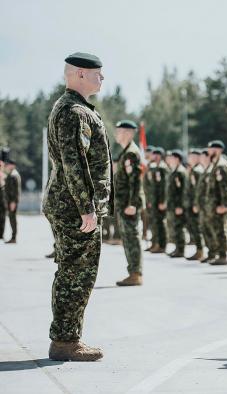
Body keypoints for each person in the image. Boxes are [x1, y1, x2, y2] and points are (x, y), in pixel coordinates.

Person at [44, 52, 111, 361]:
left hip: (69, 203)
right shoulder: (74, 112)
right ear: (80, 74)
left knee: (73, 270)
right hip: (73, 207)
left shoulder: (75, 109)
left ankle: (65, 337)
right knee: (77, 273)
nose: (102, 78)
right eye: (97, 73)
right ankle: (66, 341)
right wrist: (86, 207)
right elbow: (75, 163)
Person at [112, 120, 145, 286]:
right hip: (123, 204)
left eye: (119, 131)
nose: (116, 134)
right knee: (127, 238)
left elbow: (136, 182)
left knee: (132, 237)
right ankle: (133, 271)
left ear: (128, 133)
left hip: (129, 205)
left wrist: (133, 203)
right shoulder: (126, 152)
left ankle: (136, 273)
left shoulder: (131, 153)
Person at [204, 140, 227, 265]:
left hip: (219, 205)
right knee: (216, 229)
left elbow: (225, 187)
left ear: (218, 150)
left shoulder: (221, 165)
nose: (209, 152)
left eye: (211, 150)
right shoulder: (215, 165)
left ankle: (223, 255)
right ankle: (217, 253)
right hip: (214, 205)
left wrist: (225, 205)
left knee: (221, 230)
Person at [166, 149, 188, 258]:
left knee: (179, 227)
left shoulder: (180, 172)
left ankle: (181, 249)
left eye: (172, 158)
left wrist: (180, 205)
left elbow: (183, 191)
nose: (170, 160)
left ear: (177, 159)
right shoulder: (174, 171)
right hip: (173, 205)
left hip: (178, 205)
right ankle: (177, 248)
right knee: (175, 227)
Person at [147, 147, 168, 253]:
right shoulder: (155, 167)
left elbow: (165, 186)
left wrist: (164, 201)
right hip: (155, 200)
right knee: (155, 223)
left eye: (157, 155)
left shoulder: (163, 168)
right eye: (154, 154)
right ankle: (155, 243)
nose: (155, 157)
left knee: (160, 223)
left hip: (160, 200)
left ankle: (162, 245)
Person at [185, 149, 205, 261]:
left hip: (195, 205)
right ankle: (199, 250)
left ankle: (200, 250)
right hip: (191, 204)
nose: (189, 159)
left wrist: (196, 204)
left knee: (198, 228)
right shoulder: (194, 170)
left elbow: (198, 190)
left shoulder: (197, 171)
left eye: (191, 157)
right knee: (194, 228)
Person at [3, 159, 20, 243]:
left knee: (12, 219)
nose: (7, 166)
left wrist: (13, 202)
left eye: (8, 164)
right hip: (10, 200)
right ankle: (13, 237)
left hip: (12, 201)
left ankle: (13, 238)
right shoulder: (11, 174)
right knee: (11, 219)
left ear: (13, 165)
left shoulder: (14, 175)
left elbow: (15, 190)